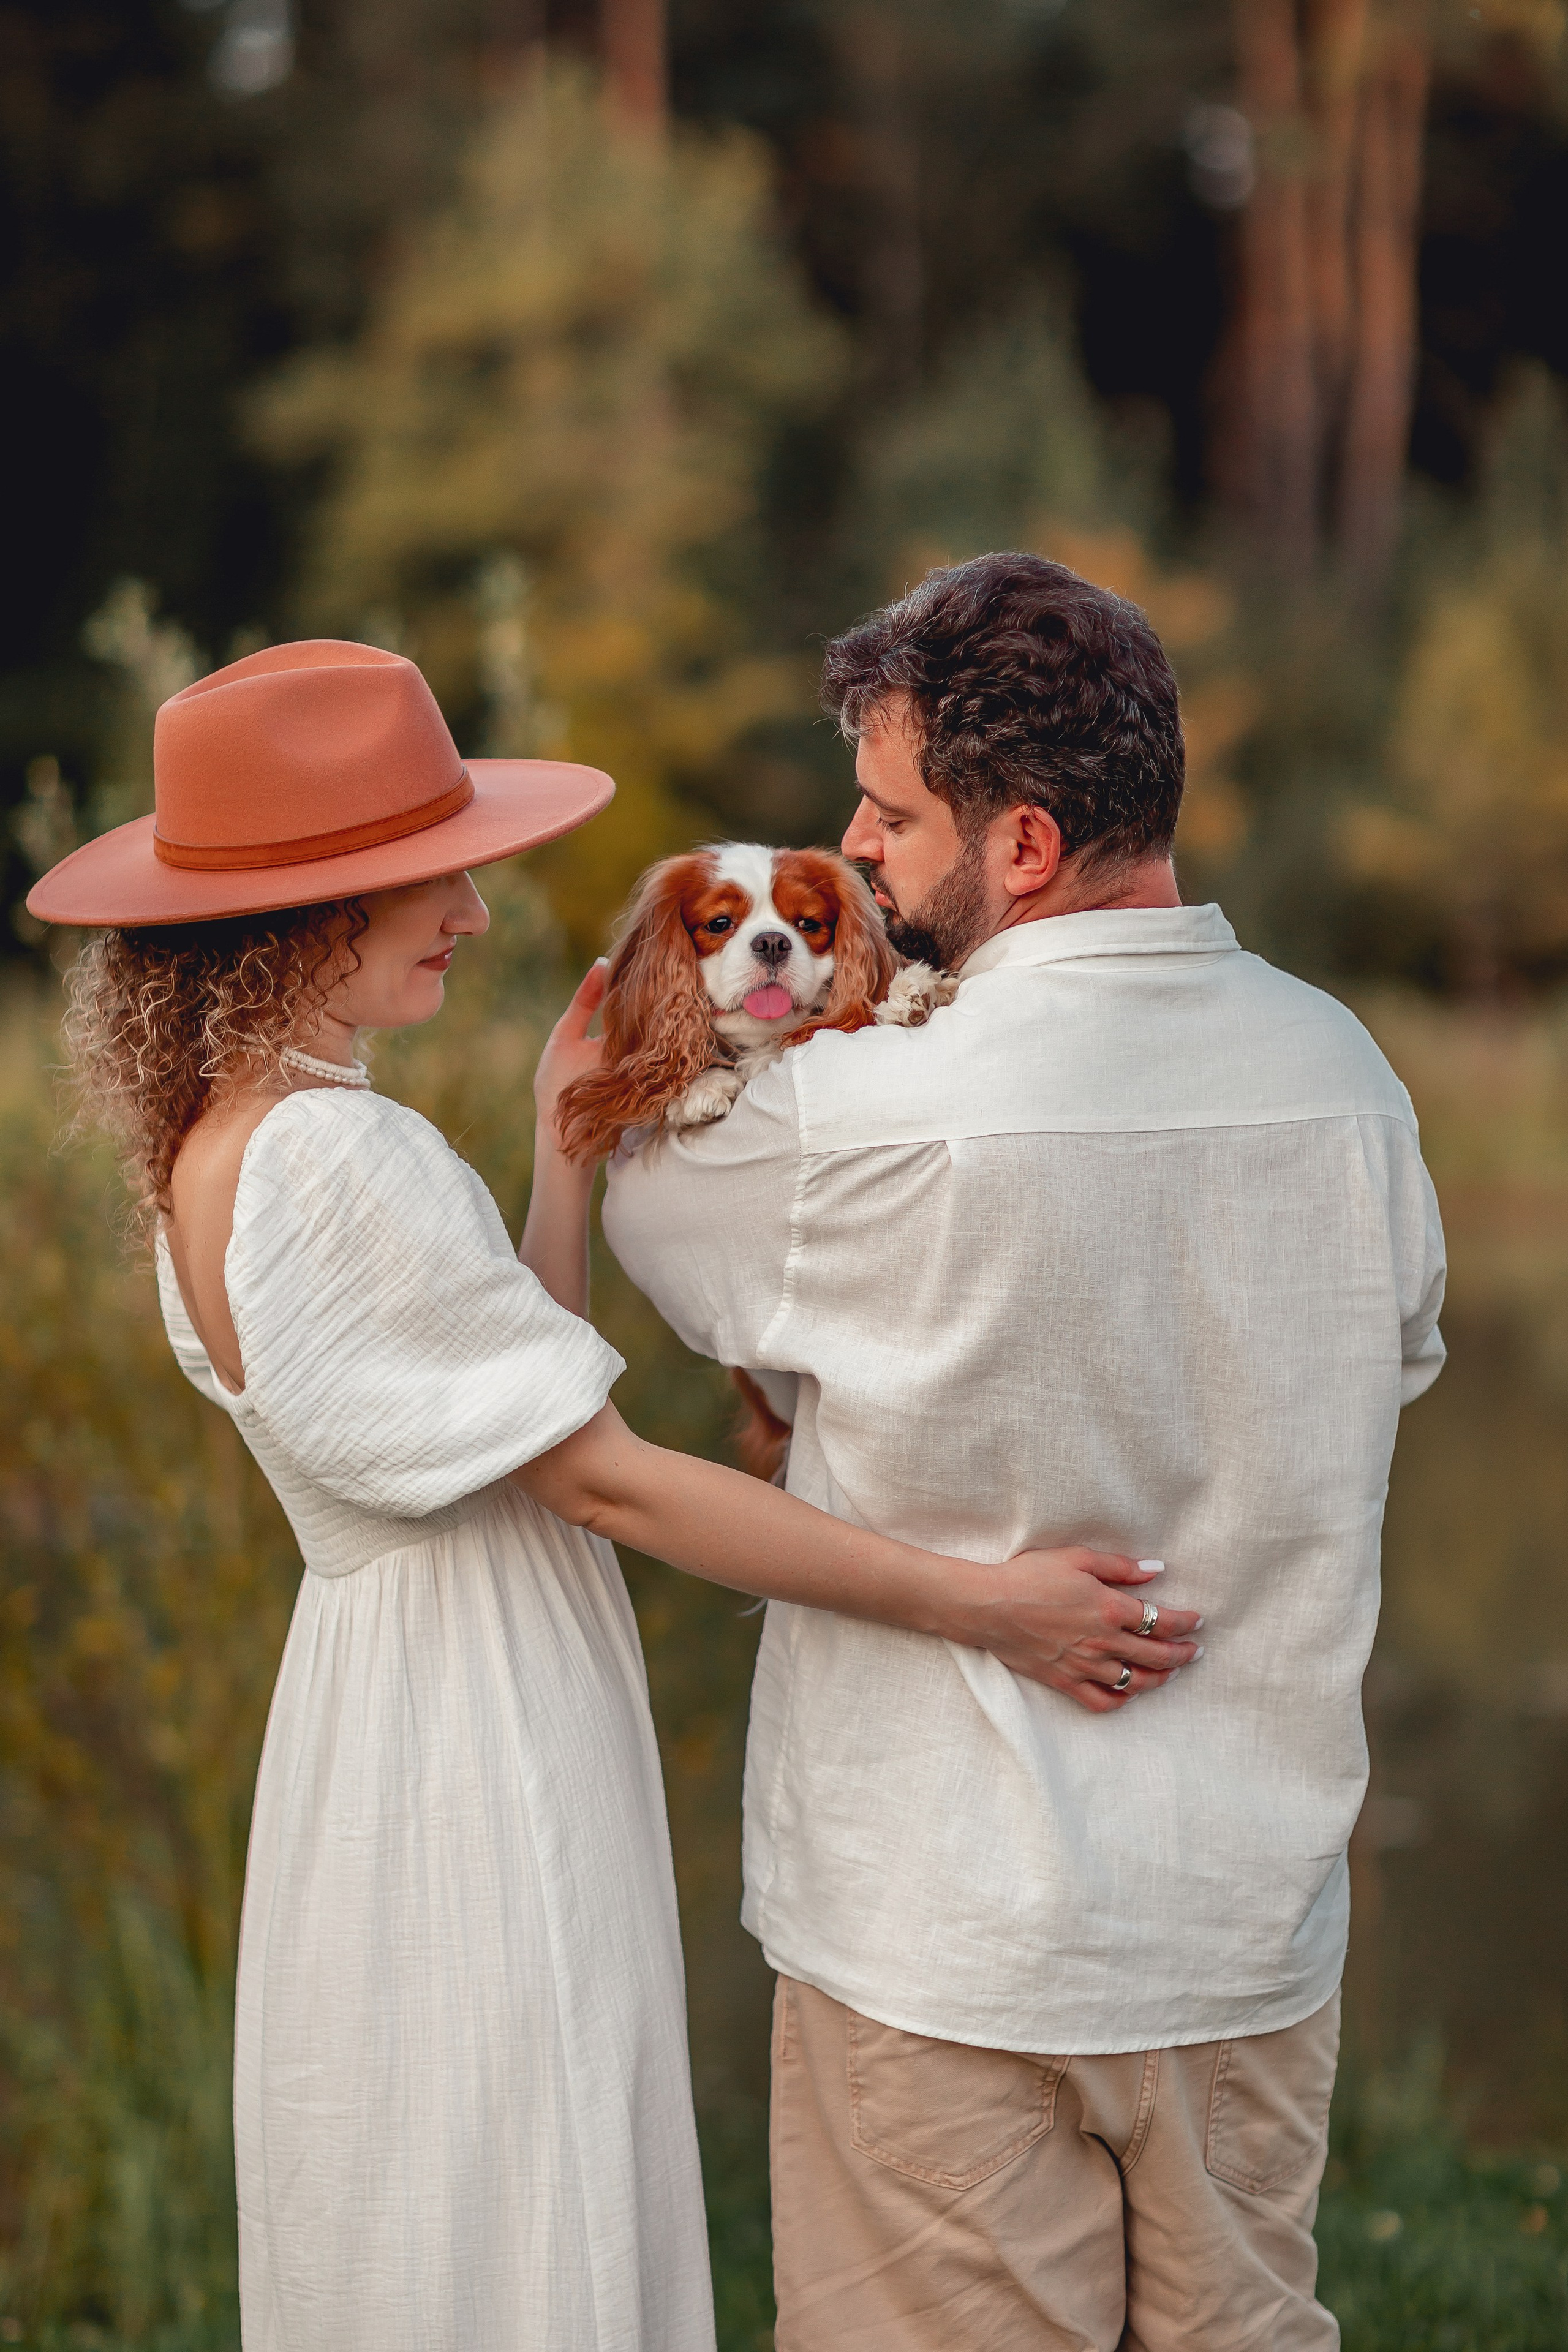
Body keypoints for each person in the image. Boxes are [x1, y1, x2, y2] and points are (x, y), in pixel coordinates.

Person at [27, 636, 1193, 2352]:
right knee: (522, 2172)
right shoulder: (342, 1154)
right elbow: (607, 1484)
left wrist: (558, 1155)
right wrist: (982, 1603)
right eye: (436, 880)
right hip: (470, 1729)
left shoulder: (229, 1139)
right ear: (307, 907)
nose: (479, 917)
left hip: (382, 1702)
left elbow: (505, 1397)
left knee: (443, 2182)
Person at [600, 554, 1447, 2351]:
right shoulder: (1351, 1076)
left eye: (894, 813)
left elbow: (650, 1202)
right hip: (1249, 1930)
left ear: (1030, 844)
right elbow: (1401, 1360)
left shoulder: (853, 1123)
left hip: (944, 1942)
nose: (859, 845)